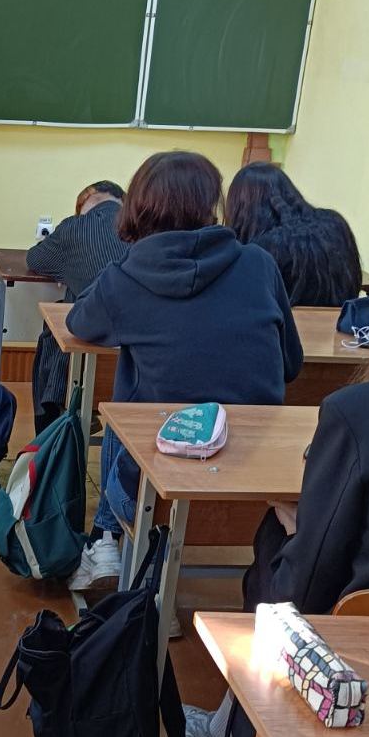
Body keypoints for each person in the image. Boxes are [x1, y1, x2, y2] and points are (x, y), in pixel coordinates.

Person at [184, 207, 369, 737]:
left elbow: (303, 591)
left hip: (356, 674)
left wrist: (301, 529)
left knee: (275, 546)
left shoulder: (362, 414)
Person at [65, 152, 303, 592]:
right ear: (212, 203)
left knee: (122, 411)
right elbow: (291, 364)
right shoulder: (259, 264)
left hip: (156, 493)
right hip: (263, 485)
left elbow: (78, 322)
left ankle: (112, 548)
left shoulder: (126, 277)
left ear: (137, 207)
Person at [26, 180, 128, 432]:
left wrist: (69, 270)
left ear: (85, 203)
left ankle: (52, 423)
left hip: (89, 351)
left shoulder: (74, 227)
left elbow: (35, 259)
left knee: (65, 308)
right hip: (137, 359)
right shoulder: (146, 229)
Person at [224, 162, 361, 307]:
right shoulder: (335, 223)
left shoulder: (263, 250)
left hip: (286, 321)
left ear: (240, 209)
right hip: (345, 318)